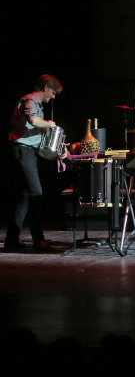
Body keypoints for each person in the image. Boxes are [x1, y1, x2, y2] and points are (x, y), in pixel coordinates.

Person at [5, 74, 62, 251]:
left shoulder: (37, 105)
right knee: (36, 194)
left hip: (28, 152)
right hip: (22, 151)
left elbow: (36, 130)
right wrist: (50, 124)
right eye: (53, 92)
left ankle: (11, 240)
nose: (53, 96)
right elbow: (34, 121)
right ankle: (39, 241)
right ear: (45, 88)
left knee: (24, 197)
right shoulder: (29, 101)